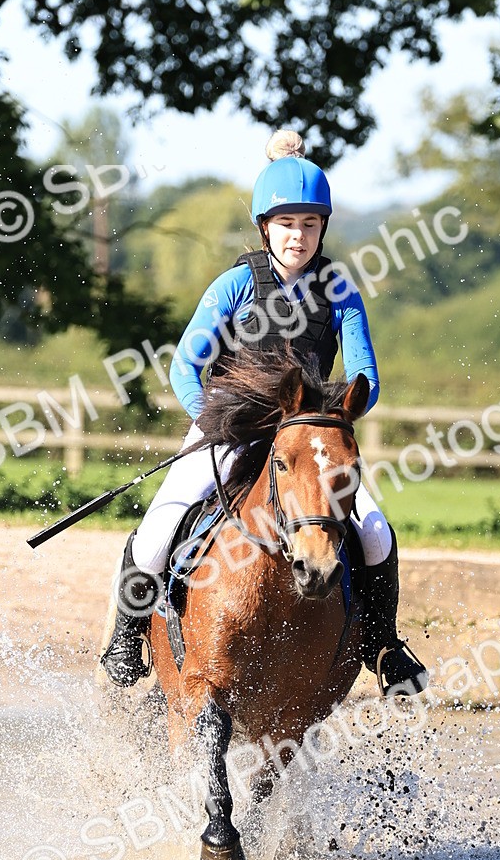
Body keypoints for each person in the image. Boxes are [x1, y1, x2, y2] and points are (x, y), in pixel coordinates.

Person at [101, 129, 429, 697]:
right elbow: (185, 368)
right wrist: (215, 419)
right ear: (264, 228)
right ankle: (129, 640)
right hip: (229, 430)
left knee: (374, 531)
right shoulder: (234, 285)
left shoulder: (340, 291)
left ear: (322, 227)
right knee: (158, 529)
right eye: (285, 224)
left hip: (306, 441)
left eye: (308, 224)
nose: (297, 236)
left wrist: (334, 415)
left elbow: (367, 380)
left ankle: (384, 646)